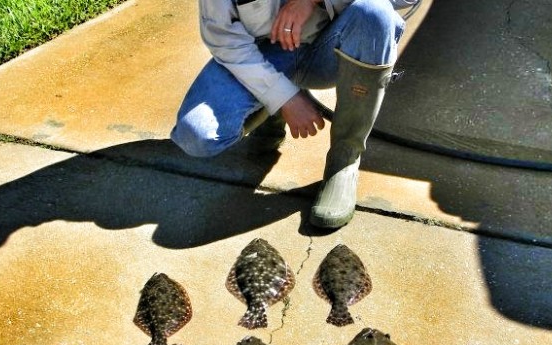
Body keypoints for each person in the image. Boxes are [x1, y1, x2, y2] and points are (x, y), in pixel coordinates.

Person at [172, 0, 411, 228]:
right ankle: (271, 111)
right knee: (197, 135)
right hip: (261, 54)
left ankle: (345, 159)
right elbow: (222, 35)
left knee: (376, 14)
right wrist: (282, 96)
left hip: (332, 46)